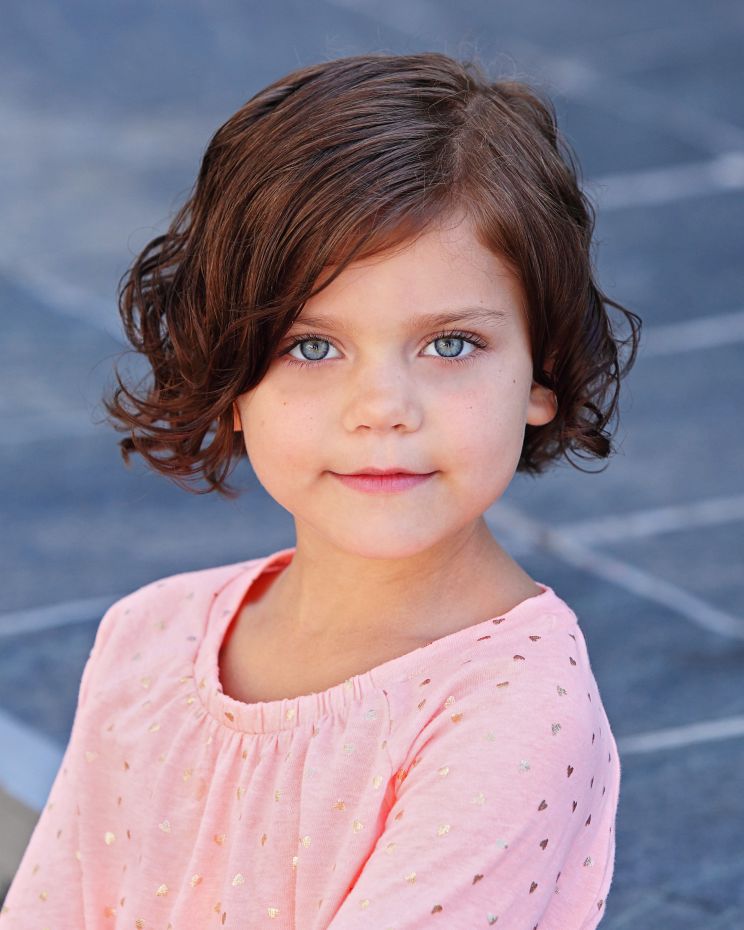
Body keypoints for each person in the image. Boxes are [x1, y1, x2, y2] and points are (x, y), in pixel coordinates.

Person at [2, 50, 641, 929]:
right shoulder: (149, 638)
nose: (382, 409)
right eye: (311, 346)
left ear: (545, 369)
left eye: (450, 344)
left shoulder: (514, 715)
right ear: (231, 377)